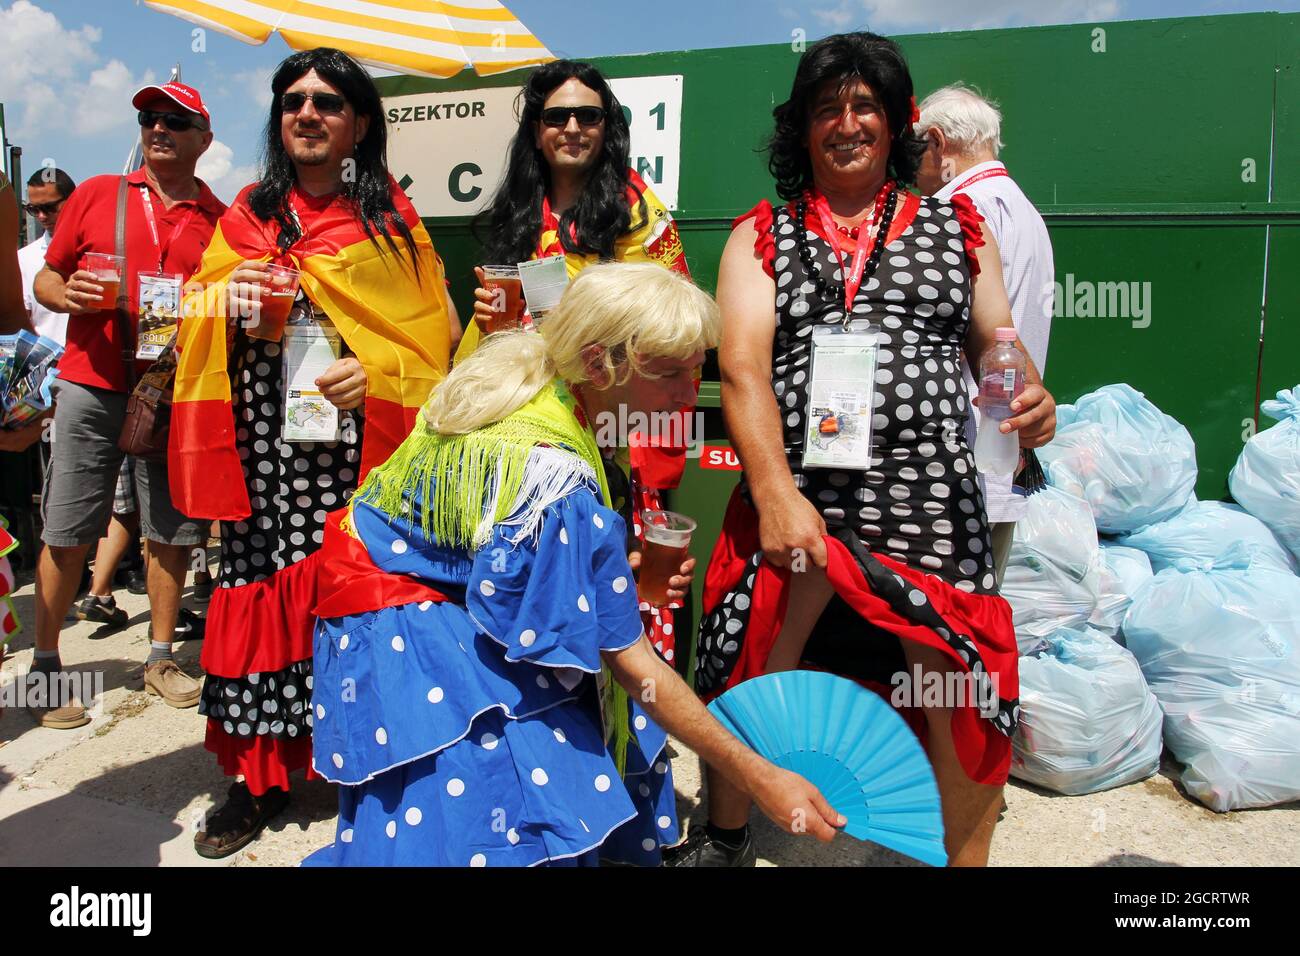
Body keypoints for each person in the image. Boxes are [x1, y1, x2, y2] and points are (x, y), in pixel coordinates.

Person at [304, 262, 844, 866]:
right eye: (668, 374)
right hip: (397, 621)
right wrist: (759, 776)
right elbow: (634, 667)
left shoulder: (542, 380)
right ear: (597, 362)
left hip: (413, 594)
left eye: (699, 371)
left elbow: (490, 557)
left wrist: (613, 583)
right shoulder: (552, 475)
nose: (689, 396)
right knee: (498, 802)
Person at [674, 32, 1057, 867]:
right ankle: (726, 835)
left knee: (957, 683)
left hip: (928, 498)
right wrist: (774, 492)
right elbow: (741, 371)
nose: (846, 125)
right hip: (800, 490)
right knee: (747, 658)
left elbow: (999, 341)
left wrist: (1029, 391)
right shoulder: (761, 234)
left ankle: (964, 859)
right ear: (802, 129)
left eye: (865, 107)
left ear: (897, 124)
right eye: (826, 110)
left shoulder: (960, 226)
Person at [169, 48, 454, 858]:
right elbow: (189, 307)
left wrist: (381, 370)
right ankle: (255, 781)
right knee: (256, 594)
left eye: (329, 102)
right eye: (294, 100)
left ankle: (362, 761)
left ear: (359, 122)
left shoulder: (393, 224)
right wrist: (229, 298)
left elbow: (433, 346)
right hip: (262, 450)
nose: (308, 113)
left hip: (354, 458)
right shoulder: (248, 213)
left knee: (360, 601)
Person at [465, 59, 696, 671]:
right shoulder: (521, 206)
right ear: (536, 130)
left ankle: (629, 713)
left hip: (613, 428)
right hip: (529, 427)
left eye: (587, 115)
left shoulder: (637, 211)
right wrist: (493, 320)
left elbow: (674, 326)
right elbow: (505, 333)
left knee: (617, 567)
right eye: (555, 116)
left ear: (608, 126)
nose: (571, 127)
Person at [29, 81, 226, 726]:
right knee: (68, 529)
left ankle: (161, 656)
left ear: (204, 138)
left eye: (175, 120)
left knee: (172, 529)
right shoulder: (96, 193)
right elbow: (45, 277)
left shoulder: (221, 220)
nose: (157, 128)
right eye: (148, 117)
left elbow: (232, 306)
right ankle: (45, 666)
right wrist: (66, 297)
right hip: (90, 383)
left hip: (171, 390)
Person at [915, 84, 1055, 579]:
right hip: (1001, 458)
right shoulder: (1023, 209)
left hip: (957, 471)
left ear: (936, 143)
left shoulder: (959, 213)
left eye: (914, 151)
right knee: (976, 621)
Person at [20, 167, 76, 345]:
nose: (42, 216)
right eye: (34, 209)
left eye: (49, 208)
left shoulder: (101, 250)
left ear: (74, 200)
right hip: (47, 368)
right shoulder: (23, 258)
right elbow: (21, 321)